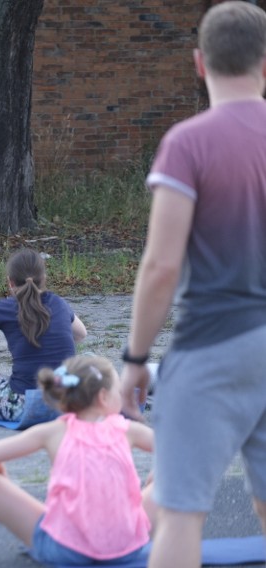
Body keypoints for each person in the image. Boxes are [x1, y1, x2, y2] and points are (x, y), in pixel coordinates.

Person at [119, 3, 266, 566]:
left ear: (200, 63)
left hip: (213, 346)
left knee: (181, 513)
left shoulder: (189, 142)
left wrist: (135, 357)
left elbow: (160, 267)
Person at [0, 355, 155, 565]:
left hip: (65, 551)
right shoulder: (127, 430)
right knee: (169, 479)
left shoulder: (52, 431)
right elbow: (172, 453)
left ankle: (63, 526)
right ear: (103, 397)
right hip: (127, 548)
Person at [0, 248, 87, 421]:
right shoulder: (59, 303)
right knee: (89, 358)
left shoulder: (6, 307)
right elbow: (81, 334)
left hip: (21, 407)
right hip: (65, 405)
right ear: (44, 279)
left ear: (10, 282)